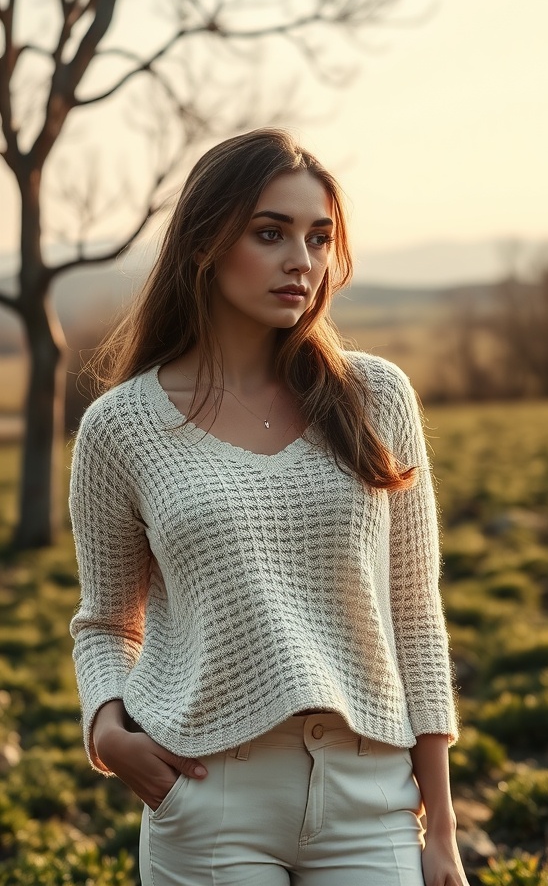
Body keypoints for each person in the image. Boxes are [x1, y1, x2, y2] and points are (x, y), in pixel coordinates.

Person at [69, 127, 468, 886]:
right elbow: (106, 621)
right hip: (210, 793)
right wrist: (107, 732)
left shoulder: (375, 398)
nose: (302, 262)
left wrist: (440, 826)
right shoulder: (121, 426)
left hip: (372, 795)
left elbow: (416, 616)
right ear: (204, 244)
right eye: (270, 233)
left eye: (319, 238)